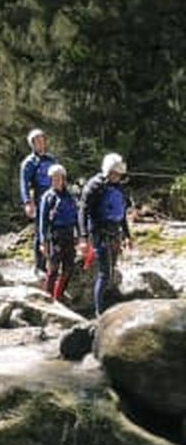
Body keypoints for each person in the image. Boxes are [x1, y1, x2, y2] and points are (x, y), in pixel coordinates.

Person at [78, 153, 133, 315]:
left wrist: (128, 236)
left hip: (114, 232)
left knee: (112, 269)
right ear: (107, 171)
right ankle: (99, 312)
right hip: (99, 232)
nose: (117, 176)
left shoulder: (118, 187)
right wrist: (83, 237)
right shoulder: (95, 185)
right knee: (105, 273)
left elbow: (121, 213)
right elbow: (83, 211)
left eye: (119, 174)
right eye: (114, 173)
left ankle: (107, 303)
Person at [19, 128, 58, 277]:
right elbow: (24, 183)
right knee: (41, 232)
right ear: (32, 144)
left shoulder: (51, 159)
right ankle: (39, 266)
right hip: (39, 198)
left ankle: (53, 263)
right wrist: (27, 202)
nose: (41, 143)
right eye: (38, 141)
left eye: (43, 140)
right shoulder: (29, 163)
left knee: (56, 230)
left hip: (54, 197)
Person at [38, 165, 78, 301]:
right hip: (55, 236)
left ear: (63, 178)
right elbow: (42, 221)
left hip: (69, 234)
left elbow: (77, 216)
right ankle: (48, 297)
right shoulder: (48, 197)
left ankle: (58, 294)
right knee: (53, 268)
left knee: (69, 268)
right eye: (53, 178)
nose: (56, 181)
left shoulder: (70, 196)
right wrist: (42, 241)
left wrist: (80, 234)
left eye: (58, 178)